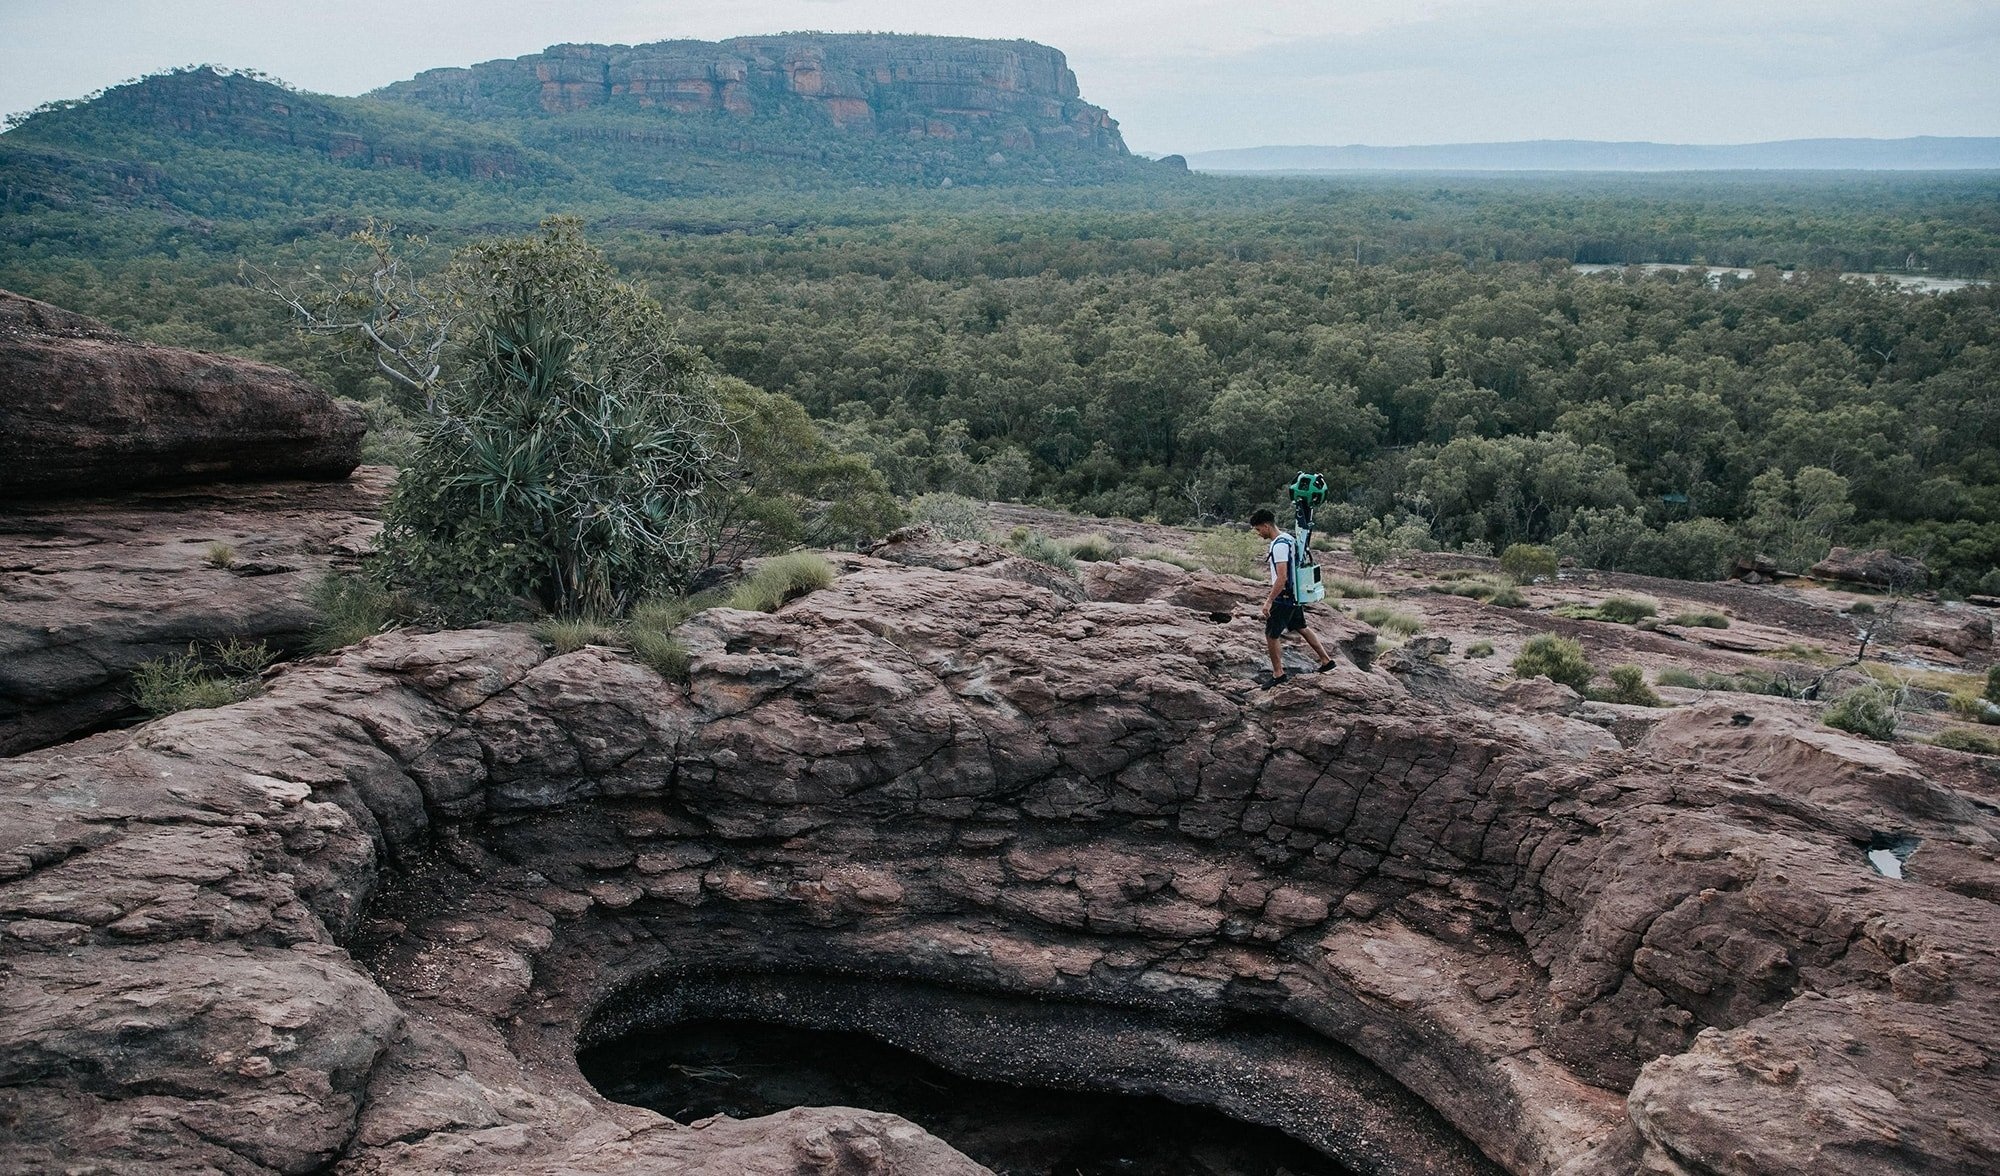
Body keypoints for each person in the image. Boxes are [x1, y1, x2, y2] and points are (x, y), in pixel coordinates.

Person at [1250, 508, 1337, 686]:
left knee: (1271, 635)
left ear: (1266, 526)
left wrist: (1269, 601)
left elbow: (1282, 578)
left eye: (1258, 529)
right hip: (1295, 595)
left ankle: (1278, 674)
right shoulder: (1289, 538)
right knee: (1301, 626)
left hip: (1285, 597)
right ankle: (1326, 661)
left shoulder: (1279, 545)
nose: (1259, 533)